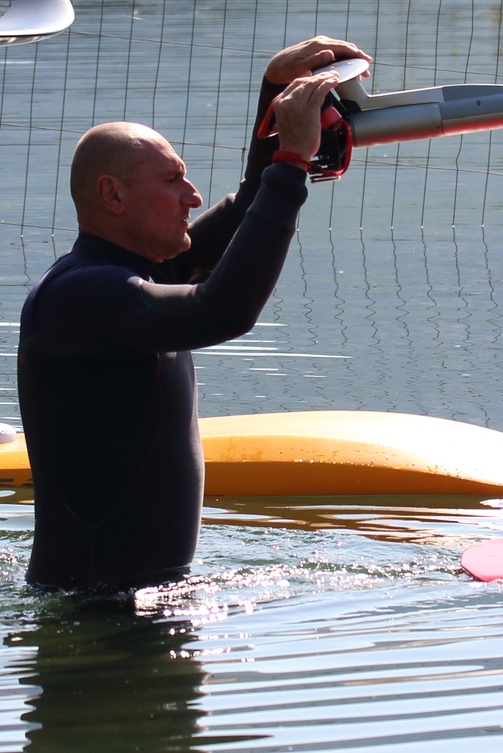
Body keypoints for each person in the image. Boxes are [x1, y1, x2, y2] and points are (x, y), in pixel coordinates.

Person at [18, 36, 368, 593]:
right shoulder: (81, 295)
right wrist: (293, 161)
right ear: (113, 195)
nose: (193, 196)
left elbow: (250, 200)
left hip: (143, 608)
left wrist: (275, 92)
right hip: (93, 623)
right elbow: (223, 311)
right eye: (171, 179)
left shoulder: (141, 277)